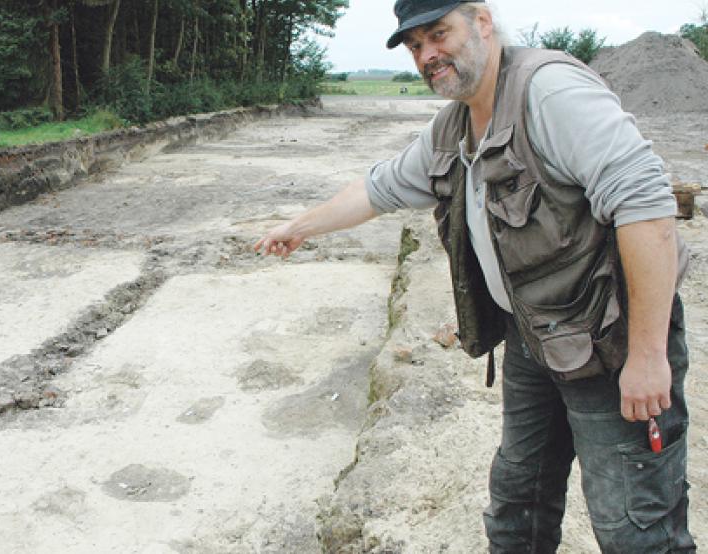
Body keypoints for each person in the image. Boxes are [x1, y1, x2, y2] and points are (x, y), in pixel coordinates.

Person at [254, 0, 695, 551]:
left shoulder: (549, 94)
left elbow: (646, 207)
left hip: (612, 343)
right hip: (535, 341)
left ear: (482, 22)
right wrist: (298, 226)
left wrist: (648, 355)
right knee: (518, 502)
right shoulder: (453, 129)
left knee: (632, 525)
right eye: (415, 46)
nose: (427, 55)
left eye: (439, 34)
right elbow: (377, 189)